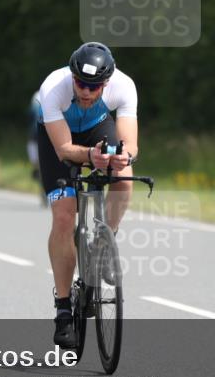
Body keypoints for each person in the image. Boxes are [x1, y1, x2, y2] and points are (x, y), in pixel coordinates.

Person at [35, 42, 139, 347]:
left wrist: (123, 158)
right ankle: (64, 309)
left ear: (106, 83)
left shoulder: (124, 86)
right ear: (72, 76)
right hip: (59, 137)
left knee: (124, 176)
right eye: (80, 83)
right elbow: (65, 150)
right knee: (65, 216)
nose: (86, 92)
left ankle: (107, 239)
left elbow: (130, 143)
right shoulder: (53, 88)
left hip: (96, 128)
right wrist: (90, 157)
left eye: (94, 87)